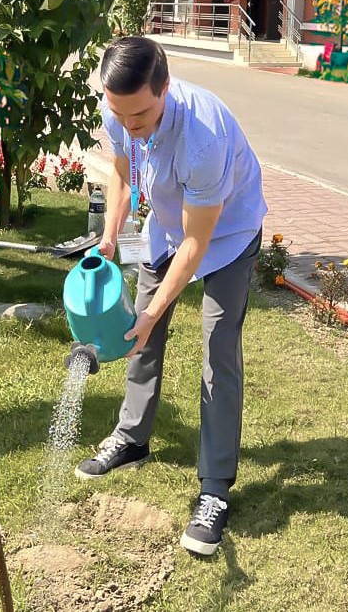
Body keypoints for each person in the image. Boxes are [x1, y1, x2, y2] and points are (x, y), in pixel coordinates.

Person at [75, 36, 266, 556]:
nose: (129, 126)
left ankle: (214, 489)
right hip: (165, 227)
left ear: (165, 88)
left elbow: (197, 243)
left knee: (217, 349)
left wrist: (154, 312)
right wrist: (111, 236)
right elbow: (119, 173)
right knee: (142, 331)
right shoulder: (120, 105)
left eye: (140, 115)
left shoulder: (201, 138)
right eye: (120, 114)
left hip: (225, 236)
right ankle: (132, 438)